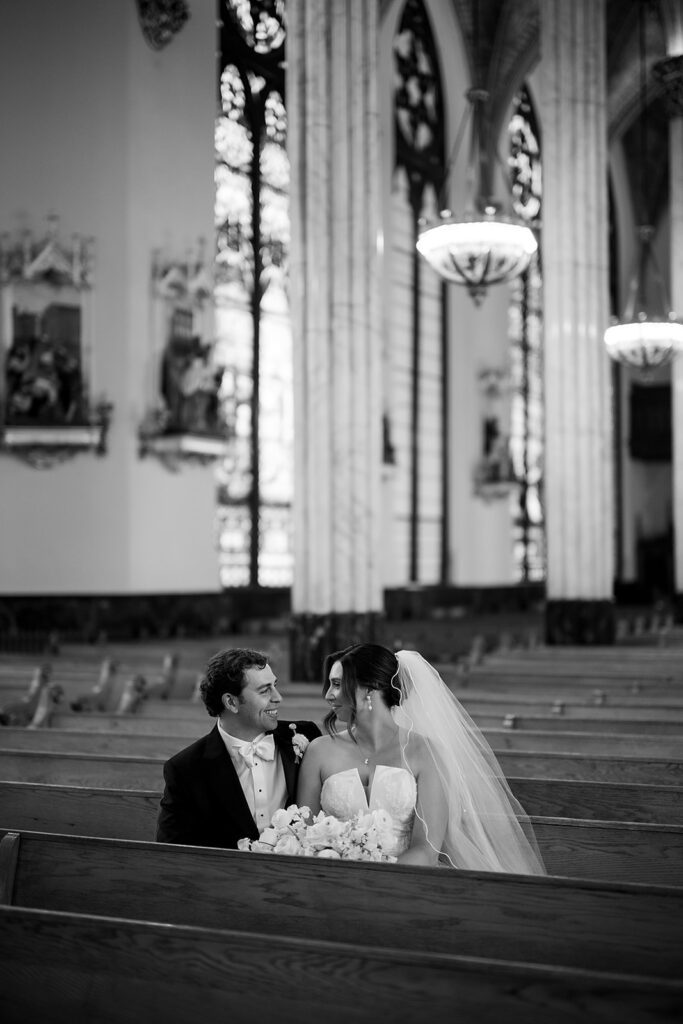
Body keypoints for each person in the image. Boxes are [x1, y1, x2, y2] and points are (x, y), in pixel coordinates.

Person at [296, 643, 546, 873]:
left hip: (408, 879)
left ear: (370, 689)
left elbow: (426, 850)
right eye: (329, 684)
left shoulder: (425, 752)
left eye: (338, 684)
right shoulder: (319, 751)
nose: (328, 694)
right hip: (332, 880)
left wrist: (372, 878)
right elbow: (305, 834)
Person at [156, 647, 321, 849]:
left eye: (275, 686)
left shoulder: (305, 736)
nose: (278, 697)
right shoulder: (185, 769)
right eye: (264, 690)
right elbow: (172, 851)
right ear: (231, 702)